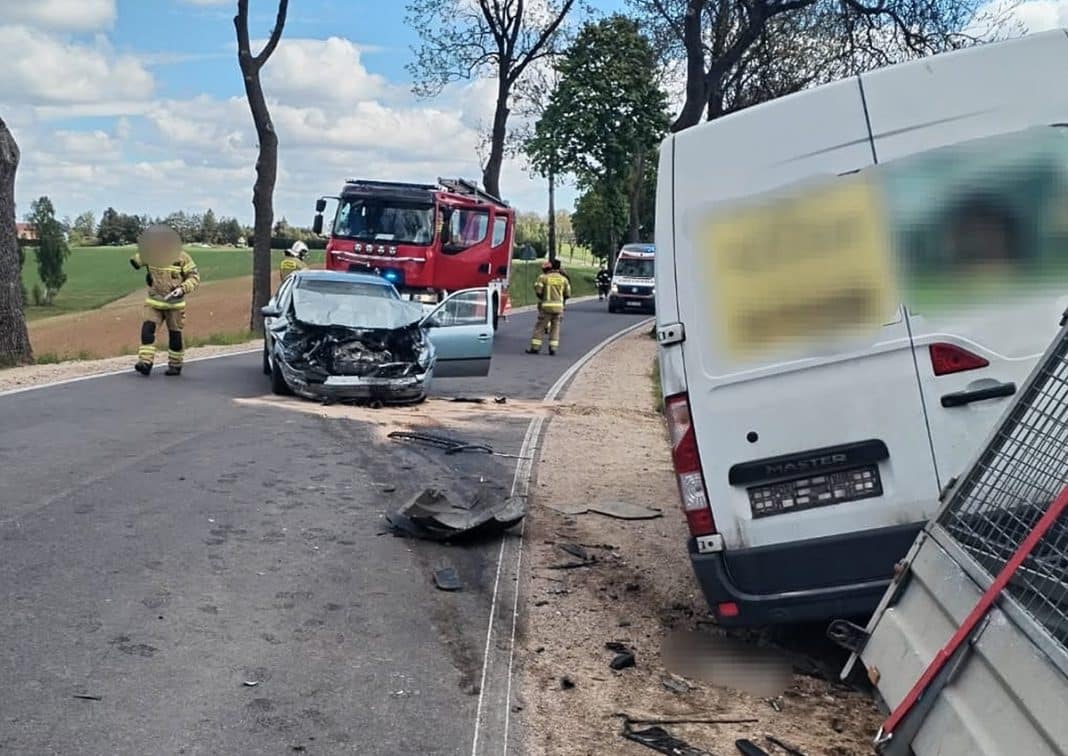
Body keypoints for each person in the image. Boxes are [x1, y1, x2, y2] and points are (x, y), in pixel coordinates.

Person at [130, 225, 200, 377]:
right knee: (147, 331)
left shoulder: (183, 258)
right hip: (154, 302)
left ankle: (175, 364)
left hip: (175, 305)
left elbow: (194, 277)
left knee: (175, 335)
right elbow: (135, 262)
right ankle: (145, 362)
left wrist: (182, 289)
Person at [527, 258, 571, 356]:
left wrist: (543, 298)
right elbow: (567, 294)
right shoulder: (564, 279)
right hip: (559, 308)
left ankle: (535, 348)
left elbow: (538, 291)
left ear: (550, 266)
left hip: (546, 308)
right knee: (555, 328)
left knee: (540, 327)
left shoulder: (543, 278)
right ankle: (553, 348)